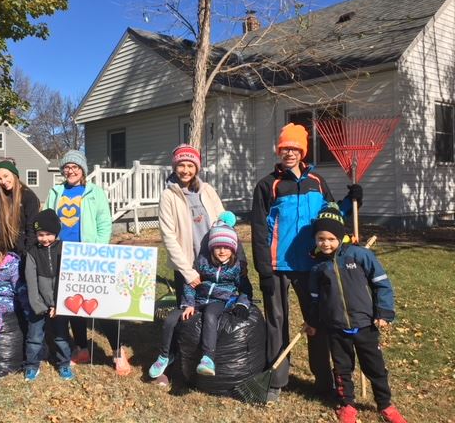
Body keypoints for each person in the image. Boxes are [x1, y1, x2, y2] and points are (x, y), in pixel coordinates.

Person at [250, 122, 363, 401]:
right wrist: (264, 270)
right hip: (278, 266)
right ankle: (276, 380)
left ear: (302, 151)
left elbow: (332, 215)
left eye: (294, 148)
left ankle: (324, 382)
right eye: (284, 148)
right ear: (279, 151)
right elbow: (259, 229)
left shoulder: (317, 182)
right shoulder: (268, 185)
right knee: (277, 322)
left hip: (313, 265)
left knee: (319, 321)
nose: (289, 152)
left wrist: (352, 201)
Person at [304, 204, 407, 423]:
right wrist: (312, 321)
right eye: (321, 239)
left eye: (331, 239)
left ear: (341, 237)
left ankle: (385, 404)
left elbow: (381, 284)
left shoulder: (360, 255)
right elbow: (314, 300)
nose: (326, 243)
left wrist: (384, 312)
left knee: (375, 367)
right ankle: (347, 404)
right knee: (342, 370)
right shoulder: (317, 267)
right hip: (336, 328)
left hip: (365, 325)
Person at [44, 150, 122, 372]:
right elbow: (48, 219)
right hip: (63, 254)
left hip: (89, 255)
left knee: (103, 304)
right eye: (67, 167)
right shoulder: (56, 191)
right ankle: (82, 348)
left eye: (75, 167)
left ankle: (117, 352)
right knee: (74, 302)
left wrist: (98, 249)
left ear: (83, 170)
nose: (70, 171)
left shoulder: (94, 192)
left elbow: (104, 223)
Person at [149, 220, 251, 379]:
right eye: (218, 247)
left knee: (210, 315)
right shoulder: (203, 263)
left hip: (219, 301)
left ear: (233, 249)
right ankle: (165, 356)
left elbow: (246, 289)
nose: (222, 251)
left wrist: (242, 304)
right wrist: (188, 304)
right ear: (211, 247)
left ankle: (208, 358)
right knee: (171, 319)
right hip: (198, 299)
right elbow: (190, 284)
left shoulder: (236, 268)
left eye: (226, 247)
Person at [158, 144, 225, 301]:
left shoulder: (207, 190)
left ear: (196, 168)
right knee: (188, 313)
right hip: (187, 264)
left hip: (213, 261)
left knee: (214, 307)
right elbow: (168, 237)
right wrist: (188, 272)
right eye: (181, 165)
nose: (185, 170)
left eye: (190, 165)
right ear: (174, 167)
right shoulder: (168, 196)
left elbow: (223, 222)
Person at [24, 209, 74, 382]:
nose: (44, 238)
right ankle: (31, 365)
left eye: (49, 234)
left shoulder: (65, 250)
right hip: (38, 305)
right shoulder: (32, 253)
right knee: (34, 338)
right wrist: (38, 306)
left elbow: (68, 279)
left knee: (61, 336)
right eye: (40, 234)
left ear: (56, 233)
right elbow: (31, 281)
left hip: (61, 304)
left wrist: (60, 305)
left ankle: (64, 364)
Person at [0, 160, 40, 255]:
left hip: (23, 250)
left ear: (14, 175)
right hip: (5, 251)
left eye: (6, 176)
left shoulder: (28, 196)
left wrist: (27, 252)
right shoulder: (1, 198)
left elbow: (31, 228)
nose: (3, 181)